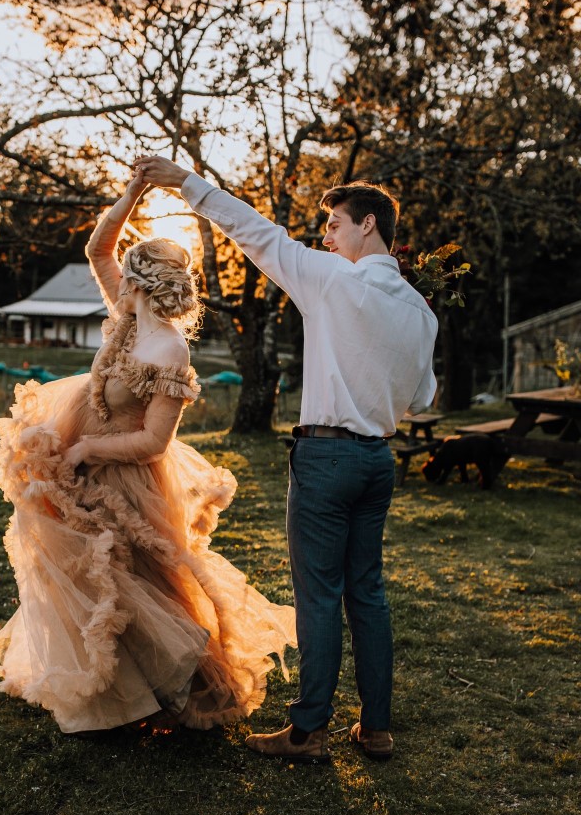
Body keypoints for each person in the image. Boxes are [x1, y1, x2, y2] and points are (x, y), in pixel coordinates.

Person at [134, 156, 438, 764]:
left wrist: (183, 183)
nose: (324, 236)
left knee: (320, 596)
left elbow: (255, 233)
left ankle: (307, 732)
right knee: (368, 595)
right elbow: (422, 398)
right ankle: (375, 729)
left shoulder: (332, 279)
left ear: (369, 224)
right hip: (378, 461)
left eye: (334, 225)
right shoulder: (420, 311)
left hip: (327, 459)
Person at [0, 171, 296, 734]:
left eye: (127, 280)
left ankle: (184, 694)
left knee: (142, 589)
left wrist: (86, 447)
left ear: (140, 285)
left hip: (127, 476)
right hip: (80, 464)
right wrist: (135, 192)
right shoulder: (124, 321)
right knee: (77, 576)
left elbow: (155, 440)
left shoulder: (169, 349)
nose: (118, 286)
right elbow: (96, 246)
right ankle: (115, 698)